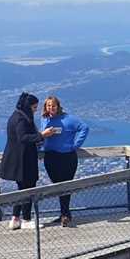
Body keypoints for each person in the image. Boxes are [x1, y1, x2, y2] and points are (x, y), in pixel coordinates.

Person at [0, 92, 57, 230]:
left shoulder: (15, 116)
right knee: (29, 188)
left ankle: (15, 218)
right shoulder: (21, 119)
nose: (35, 110)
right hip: (23, 161)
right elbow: (23, 137)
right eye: (34, 107)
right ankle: (26, 219)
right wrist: (42, 135)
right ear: (28, 106)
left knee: (22, 189)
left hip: (18, 160)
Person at [41, 95, 89, 227]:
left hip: (67, 157)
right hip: (50, 157)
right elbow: (44, 136)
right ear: (45, 107)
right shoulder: (45, 120)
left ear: (58, 106)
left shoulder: (69, 119)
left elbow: (84, 128)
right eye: (48, 105)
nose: (51, 108)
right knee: (57, 186)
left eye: (53, 105)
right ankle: (64, 214)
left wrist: (76, 145)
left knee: (66, 186)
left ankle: (65, 215)